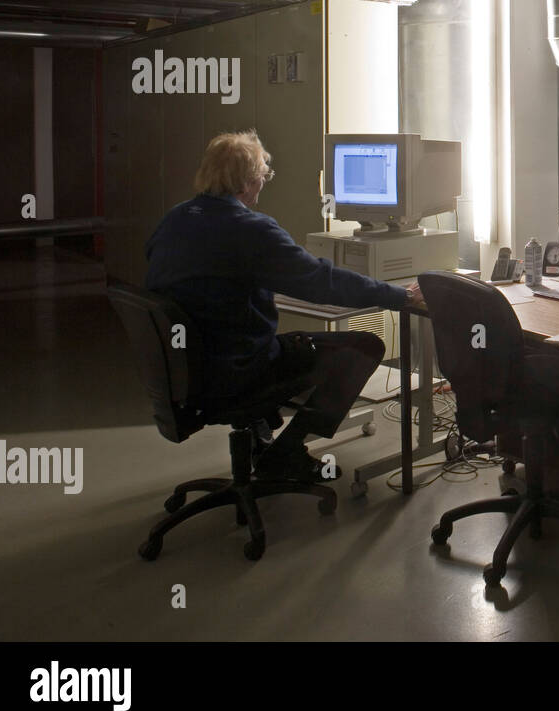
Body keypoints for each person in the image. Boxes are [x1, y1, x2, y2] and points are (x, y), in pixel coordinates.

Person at [145, 129, 425, 482]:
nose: (264, 183)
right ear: (248, 181)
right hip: (236, 370)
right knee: (364, 345)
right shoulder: (251, 229)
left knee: (281, 341)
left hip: (187, 370)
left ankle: (263, 439)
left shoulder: (175, 219)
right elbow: (322, 281)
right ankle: (287, 452)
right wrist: (399, 295)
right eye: (263, 175)